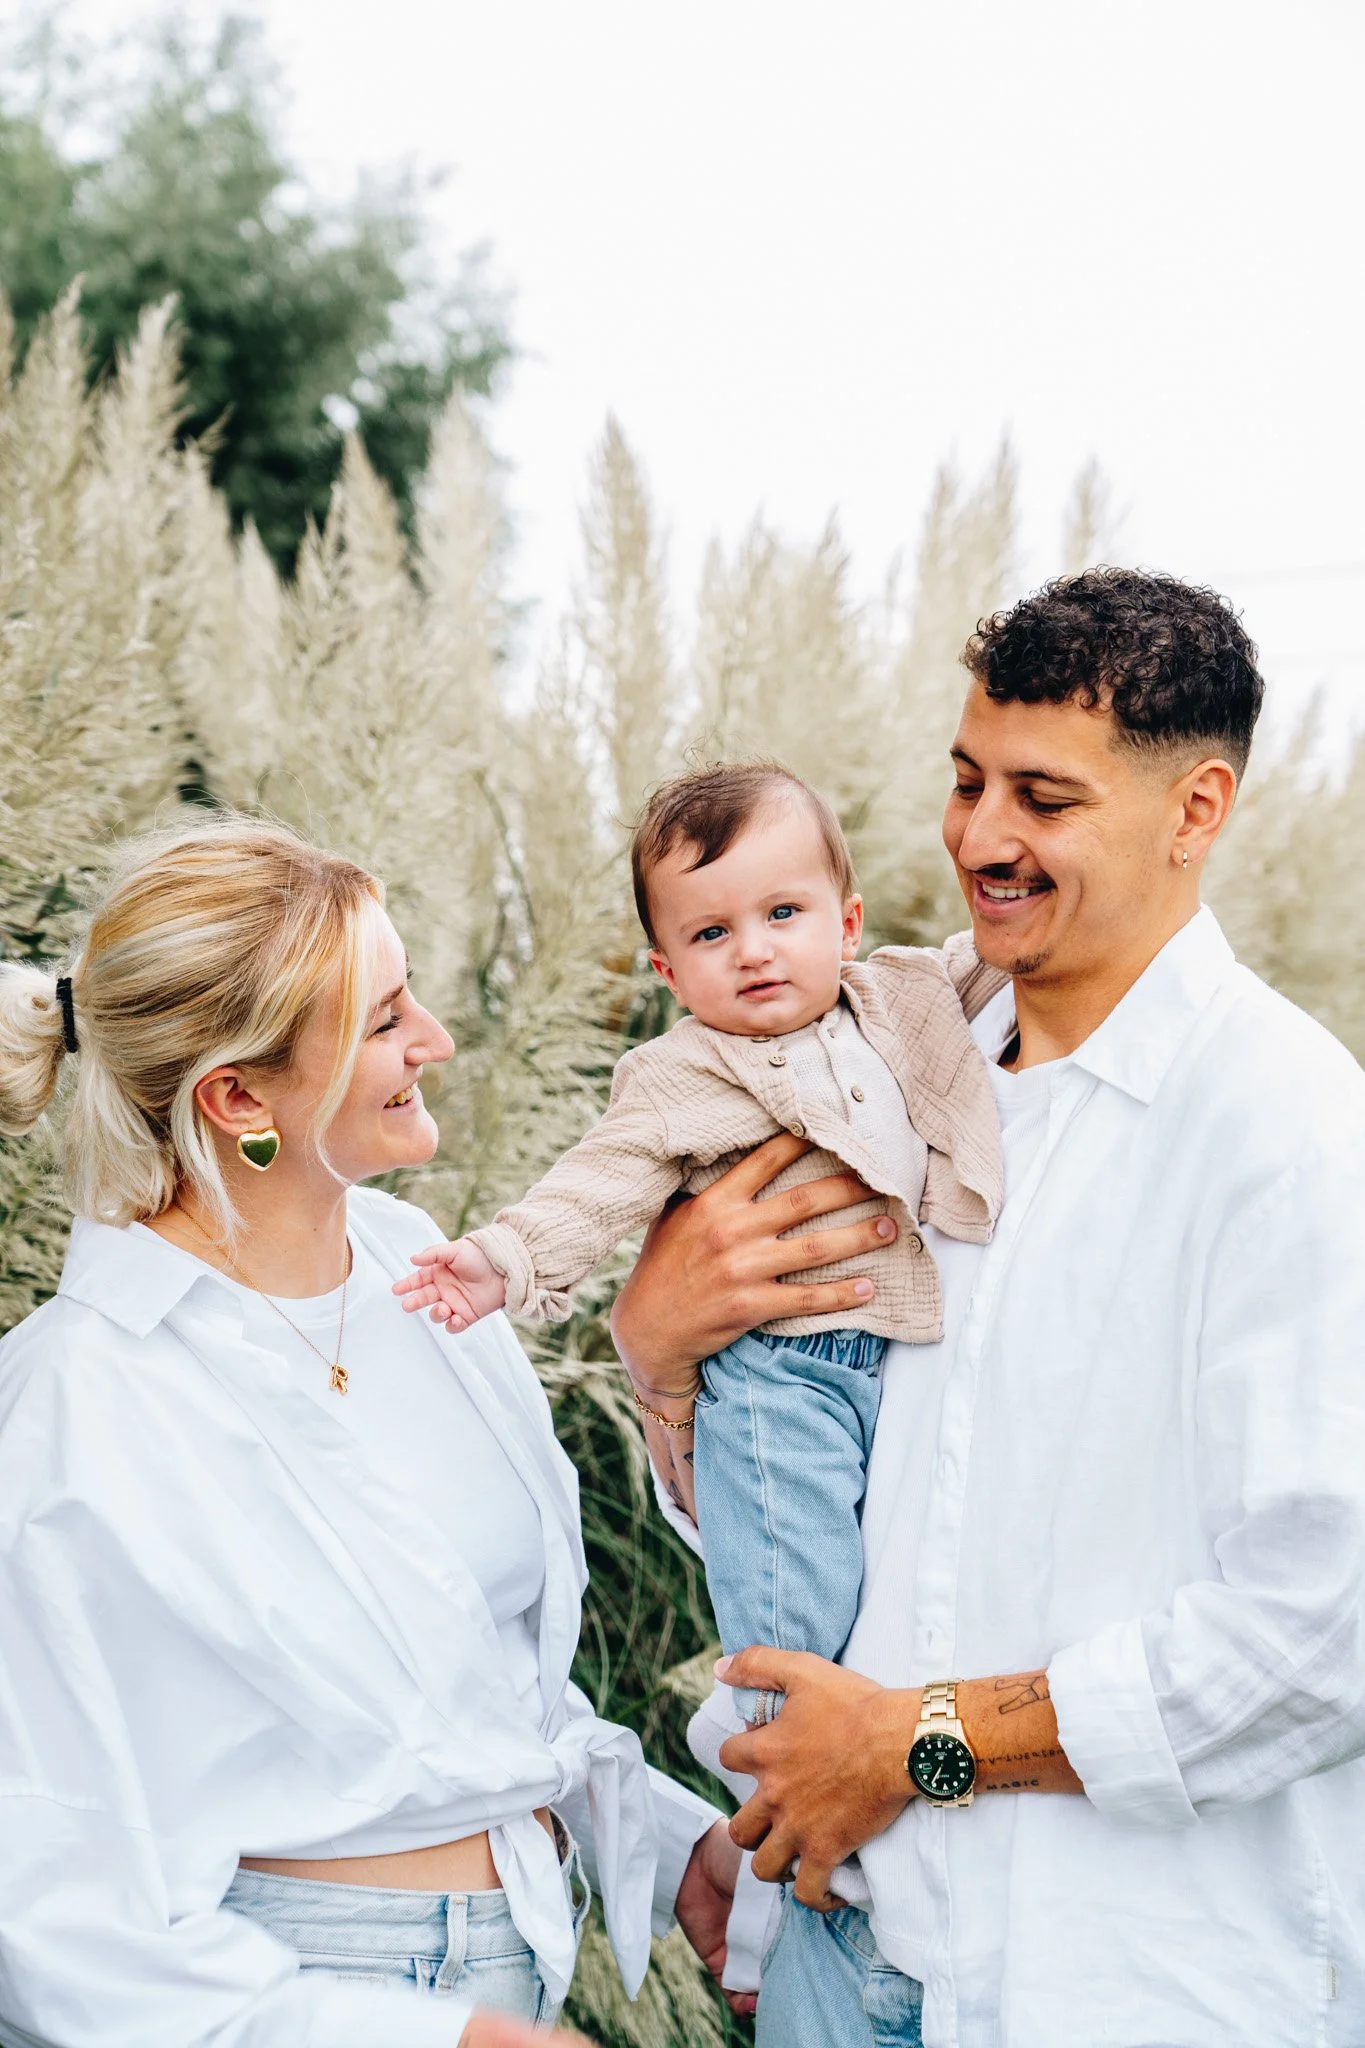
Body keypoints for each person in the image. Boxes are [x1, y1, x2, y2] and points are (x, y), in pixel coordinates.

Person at [610, 569, 1365, 2047]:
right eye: (965, 782)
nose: (980, 839)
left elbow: (1317, 1637)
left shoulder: (1287, 1129)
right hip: (850, 1946)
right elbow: (813, 1501)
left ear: (1194, 810)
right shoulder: (879, 1075)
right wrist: (659, 1365)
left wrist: (915, 1745)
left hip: (1125, 1986)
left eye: (1043, 797)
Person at [0, 819, 740, 2048]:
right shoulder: (71, 1406)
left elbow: (463, 1702)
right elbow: (40, 1901)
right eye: (387, 1018)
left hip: (518, 1959)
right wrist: (427, 2039)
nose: (436, 1043)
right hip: (292, 1995)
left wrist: (671, 1847)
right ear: (238, 1097)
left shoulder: (424, 1273)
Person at [393, 762, 1003, 1727]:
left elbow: (1001, 964)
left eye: (783, 915)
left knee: (887, 1608)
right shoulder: (681, 1073)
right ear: (668, 972)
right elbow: (599, 1181)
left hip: (890, 1362)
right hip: (774, 1381)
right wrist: (502, 1260)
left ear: (846, 924)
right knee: (793, 1625)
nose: (753, 952)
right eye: (712, 934)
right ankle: (799, 1825)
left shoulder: (899, 999)